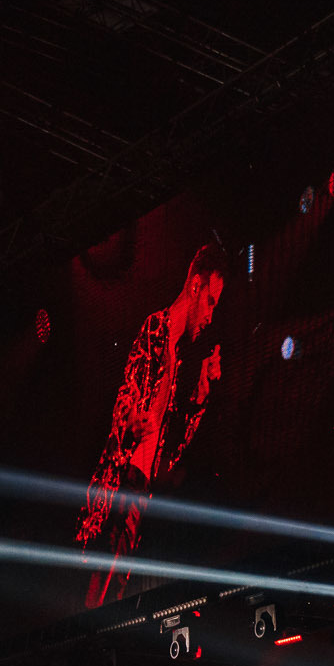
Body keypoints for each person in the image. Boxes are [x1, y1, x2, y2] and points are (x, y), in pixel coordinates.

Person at [76, 241, 226, 607]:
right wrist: (128, 424)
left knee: (116, 594)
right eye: (210, 301)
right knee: (98, 593)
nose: (210, 316)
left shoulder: (177, 362)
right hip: (120, 490)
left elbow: (168, 458)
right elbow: (123, 409)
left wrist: (201, 396)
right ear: (195, 285)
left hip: (140, 495)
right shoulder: (155, 331)